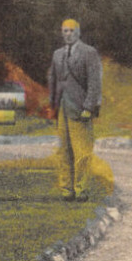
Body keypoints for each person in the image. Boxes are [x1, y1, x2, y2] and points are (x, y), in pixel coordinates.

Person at [47, 18, 103, 200]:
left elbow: (95, 82)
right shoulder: (57, 54)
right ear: (61, 33)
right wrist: (52, 106)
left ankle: (81, 190)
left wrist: (88, 107)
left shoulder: (89, 52)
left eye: (71, 31)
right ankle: (66, 190)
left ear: (78, 32)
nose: (68, 34)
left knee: (82, 152)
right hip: (62, 108)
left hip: (80, 109)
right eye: (65, 31)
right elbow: (53, 81)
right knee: (63, 151)